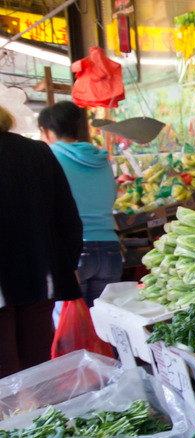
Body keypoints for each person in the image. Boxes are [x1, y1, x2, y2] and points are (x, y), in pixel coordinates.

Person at [0, 105, 83, 378]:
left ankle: (17, 420)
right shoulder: (37, 151)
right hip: (39, 277)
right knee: (36, 369)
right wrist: (66, 264)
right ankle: (38, 416)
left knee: (6, 376)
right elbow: (68, 217)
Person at [39, 101, 122, 307]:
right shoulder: (101, 159)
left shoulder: (50, 158)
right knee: (103, 327)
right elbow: (112, 197)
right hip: (110, 249)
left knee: (71, 331)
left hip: (74, 254)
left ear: (46, 131)